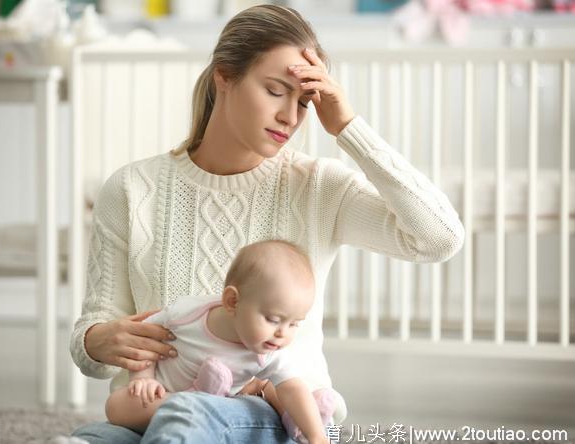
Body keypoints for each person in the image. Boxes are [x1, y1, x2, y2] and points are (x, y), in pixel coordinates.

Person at [71, 4, 465, 444]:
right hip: (151, 413)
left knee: (187, 420)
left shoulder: (319, 187)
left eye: (303, 101)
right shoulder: (131, 188)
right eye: (275, 90)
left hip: (279, 418)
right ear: (225, 74)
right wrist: (97, 341)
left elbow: (439, 238)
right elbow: (96, 339)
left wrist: (349, 128)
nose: (291, 117)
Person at [105, 240, 336, 444]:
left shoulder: (269, 350)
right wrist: (143, 379)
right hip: (161, 397)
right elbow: (142, 335)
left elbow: (293, 388)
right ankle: (197, 399)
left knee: (278, 394)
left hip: (215, 411)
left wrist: (317, 436)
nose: (282, 334)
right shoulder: (187, 314)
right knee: (115, 407)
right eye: (273, 320)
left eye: (294, 324)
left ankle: (297, 422)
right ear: (232, 301)